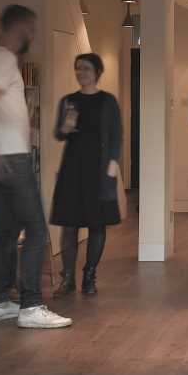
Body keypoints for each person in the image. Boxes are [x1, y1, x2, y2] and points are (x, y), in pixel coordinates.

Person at [0, 5, 71, 328]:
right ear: (20, 27)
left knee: (3, 231)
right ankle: (31, 306)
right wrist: (0, 149)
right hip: (9, 158)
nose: (33, 36)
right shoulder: (2, 58)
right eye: (31, 29)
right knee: (37, 230)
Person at [49, 53, 123, 297]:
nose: (81, 72)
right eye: (77, 68)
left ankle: (89, 276)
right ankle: (67, 278)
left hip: (99, 170)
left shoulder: (107, 101)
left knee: (97, 224)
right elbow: (59, 135)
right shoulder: (68, 100)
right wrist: (65, 127)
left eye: (86, 68)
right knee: (69, 225)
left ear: (97, 72)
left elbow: (116, 134)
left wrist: (114, 162)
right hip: (72, 168)